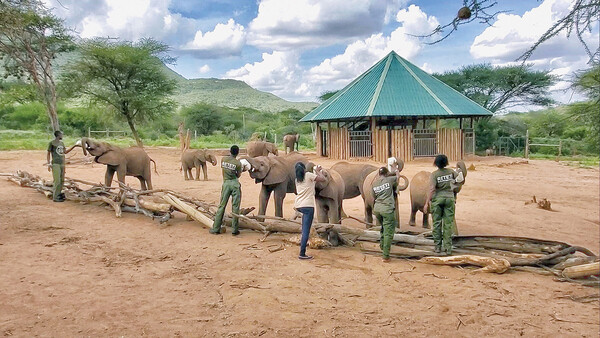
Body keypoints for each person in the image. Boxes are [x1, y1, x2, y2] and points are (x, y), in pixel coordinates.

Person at [423, 154, 460, 256]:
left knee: (437, 224)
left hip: (437, 200)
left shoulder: (434, 175)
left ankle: (437, 247)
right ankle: (448, 248)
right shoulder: (451, 172)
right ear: (446, 162)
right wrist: (454, 188)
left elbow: (432, 189)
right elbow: (460, 180)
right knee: (448, 224)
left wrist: (426, 203)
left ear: (436, 163)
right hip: (449, 199)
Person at [294, 162, 325, 260]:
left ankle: (302, 249)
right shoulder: (308, 175)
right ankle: (302, 253)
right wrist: (317, 171)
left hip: (299, 205)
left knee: (304, 228)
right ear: (304, 169)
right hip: (308, 206)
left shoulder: (297, 180)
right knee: (306, 231)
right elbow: (323, 179)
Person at [210, 145, 242, 235]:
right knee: (235, 207)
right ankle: (235, 230)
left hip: (226, 183)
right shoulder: (238, 163)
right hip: (235, 184)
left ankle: (216, 228)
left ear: (230, 151)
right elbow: (238, 175)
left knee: (221, 206)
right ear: (237, 152)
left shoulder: (223, 159)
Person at [372, 167, 398, 262]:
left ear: (379, 174)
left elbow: (374, 196)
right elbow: (397, 178)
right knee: (388, 232)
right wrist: (396, 171)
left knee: (383, 227)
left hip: (377, 209)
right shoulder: (389, 180)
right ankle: (386, 256)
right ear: (386, 174)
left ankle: (382, 246)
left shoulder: (374, 184)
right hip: (387, 209)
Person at [46, 130, 77, 202]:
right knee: (57, 180)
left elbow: (65, 152)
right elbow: (48, 153)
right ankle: (55, 197)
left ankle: (58, 195)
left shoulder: (62, 143)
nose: (62, 136)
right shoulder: (52, 143)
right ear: (58, 135)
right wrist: (48, 163)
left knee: (62, 180)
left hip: (62, 163)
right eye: (61, 134)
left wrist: (74, 146)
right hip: (55, 163)